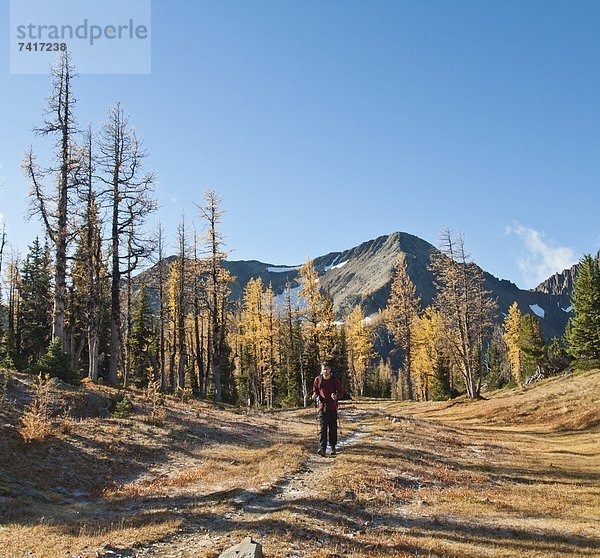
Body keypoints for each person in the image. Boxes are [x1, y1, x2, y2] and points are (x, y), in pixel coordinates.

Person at [313, 360, 344, 457]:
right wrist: (314, 395)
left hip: (332, 407)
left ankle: (333, 448)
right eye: (323, 369)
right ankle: (322, 449)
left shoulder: (335, 380)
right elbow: (316, 391)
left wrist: (336, 397)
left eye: (326, 369)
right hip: (322, 407)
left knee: (332, 428)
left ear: (330, 370)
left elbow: (341, 392)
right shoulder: (318, 380)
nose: (325, 371)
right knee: (323, 429)